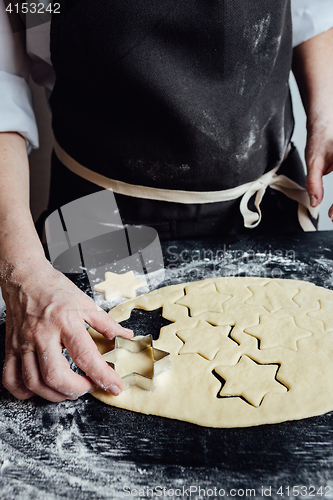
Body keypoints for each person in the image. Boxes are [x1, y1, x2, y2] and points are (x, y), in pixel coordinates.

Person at [0, 0, 333, 402]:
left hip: (269, 202)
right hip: (100, 217)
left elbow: (309, 10)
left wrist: (326, 116)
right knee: (109, 406)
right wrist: (23, 273)